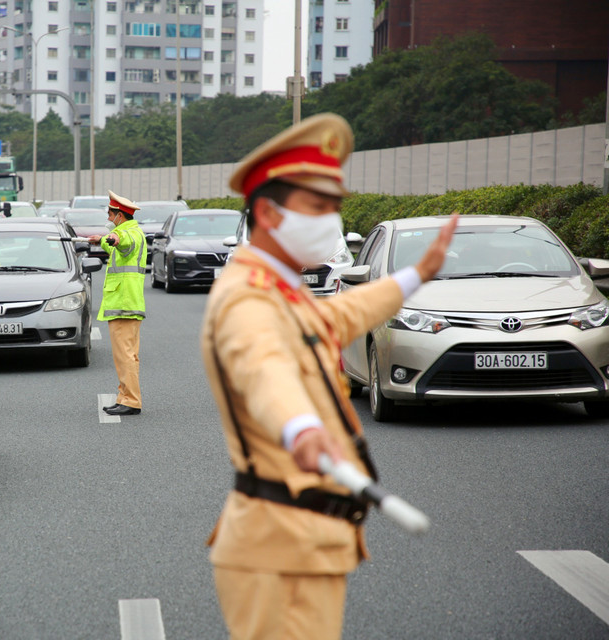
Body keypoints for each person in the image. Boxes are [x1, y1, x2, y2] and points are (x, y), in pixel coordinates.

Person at [200, 113, 457, 640]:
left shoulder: (279, 288)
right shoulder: (246, 297)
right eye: (317, 208)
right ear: (268, 213)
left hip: (300, 541)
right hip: (280, 549)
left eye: (334, 209)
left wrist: (415, 274)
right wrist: (300, 427)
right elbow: (263, 366)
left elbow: (339, 317)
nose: (330, 221)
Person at [89, 190, 147, 416]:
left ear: (119, 215)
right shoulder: (131, 230)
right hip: (126, 302)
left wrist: (112, 239)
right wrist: (100, 240)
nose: (108, 218)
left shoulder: (128, 234)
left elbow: (122, 243)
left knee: (125, 355)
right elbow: (114, 245)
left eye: (110, 213)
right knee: (127, 354)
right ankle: (124, 396)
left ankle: (131, 401)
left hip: (124, 303)